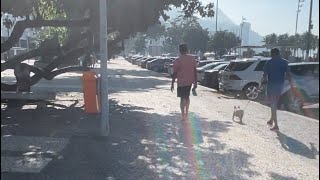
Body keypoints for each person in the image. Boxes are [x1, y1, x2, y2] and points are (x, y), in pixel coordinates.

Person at [261, 48, 292, 131]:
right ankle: (271, 120)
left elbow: (264, 75)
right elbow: (288, 75)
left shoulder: (269, 62)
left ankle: (276, 125)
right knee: (273, 104)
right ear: (279, 53)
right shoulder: (284, 62)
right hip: (280, 86)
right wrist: (291, 84)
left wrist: (261, 83)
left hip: (271, 86)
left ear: (272, 54)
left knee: (273, 105)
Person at [171, 44, 197, 121]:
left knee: (182, 98)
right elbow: (195, 70)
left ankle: (183, 115)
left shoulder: (177, 60)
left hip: (181, 82)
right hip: (189, 81)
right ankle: (187, 113)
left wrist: (172, 83)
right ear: (187, 50)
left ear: (180, 50)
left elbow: (175, 73)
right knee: (187, 96)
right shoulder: (192, 59)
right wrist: (195, 82)